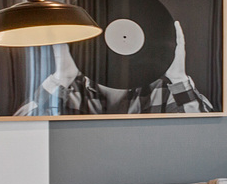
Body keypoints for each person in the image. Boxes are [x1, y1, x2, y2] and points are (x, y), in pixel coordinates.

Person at [14, 21, 214, 115]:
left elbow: (204, 134)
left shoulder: (162, 90)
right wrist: (61, 77)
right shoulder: (69, 91)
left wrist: (178, 78)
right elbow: (19, 132)